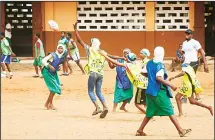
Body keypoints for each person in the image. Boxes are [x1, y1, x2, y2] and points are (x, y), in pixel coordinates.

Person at [135, 46, 191, 137]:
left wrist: (150, 77)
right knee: (170, 110)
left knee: (149, 112)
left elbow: (143, 72)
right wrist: (171, 85)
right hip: (159, 92)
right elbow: (158, 78)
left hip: (149, 91)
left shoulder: (149, 63)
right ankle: (181, 130)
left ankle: (139, 130)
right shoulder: (160, 65)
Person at [73, 21, 108, 118]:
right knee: (99, 91)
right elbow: (111, 57)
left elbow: (79, 41)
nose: (89, 43)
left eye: (90, 41)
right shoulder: (102, 51)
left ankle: (97, 107)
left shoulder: (89, 49)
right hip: (101, 74)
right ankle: (105, 106)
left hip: (93, 73)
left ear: (92, 43)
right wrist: (122, 58)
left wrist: (75, 29)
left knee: (90, 91)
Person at [181, 29, 209, 102]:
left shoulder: (195, 42)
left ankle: (193, 96)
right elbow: (184, 53)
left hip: (193, 62)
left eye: (189, 34)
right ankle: (192, 96)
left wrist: (205, 64)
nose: (187, 35)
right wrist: (182, 54)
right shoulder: (184, 43)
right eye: (186, 33)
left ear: (191, 35)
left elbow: (202, 52)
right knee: (186, 79)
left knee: (191, 78)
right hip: (186, 63)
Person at [41, 44, 67, 110]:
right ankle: (49, 104)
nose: (60, 49)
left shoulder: (61, 57)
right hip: (46, 72)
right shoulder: (53, 55)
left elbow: (56, 64)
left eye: (61, 48)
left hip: (53, 73)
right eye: (59, 48)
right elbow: (43, 60)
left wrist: (58, 67)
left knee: (55, 87)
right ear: (57, 48)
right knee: (54, 88)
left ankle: (48, 103)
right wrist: (50, 66)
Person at [134, 49, 150, 114]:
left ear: (145, 54)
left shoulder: (147, 62)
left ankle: (148, 114)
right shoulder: (142, 62)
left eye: (141, 53)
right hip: (145, 83)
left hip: (143, 83)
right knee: (145, 99)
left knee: (137, 103)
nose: (140, 54)